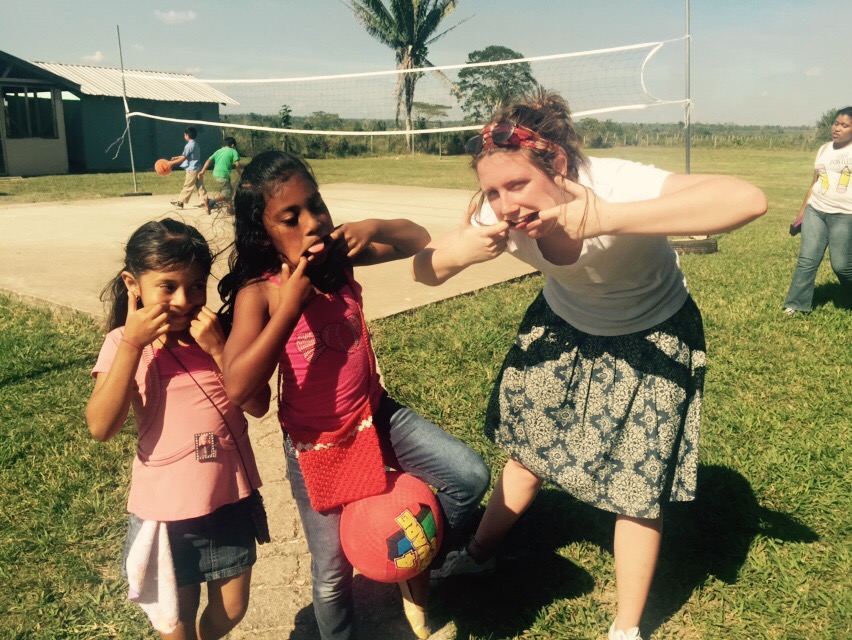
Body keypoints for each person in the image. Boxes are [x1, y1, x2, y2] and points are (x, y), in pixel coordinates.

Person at [413, 90, 767, 640]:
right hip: (564, 327)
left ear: (556, 163)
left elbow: (746, 200)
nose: (505, 204)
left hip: (652, 333)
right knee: (528, 455)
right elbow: (425, 272)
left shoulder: (617, 183)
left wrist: (611, 218)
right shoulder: (497, 216)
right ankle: (479, 554)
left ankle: (626, 628)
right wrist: (460, 252)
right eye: (492, 190)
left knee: (637, 487)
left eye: (517, 185)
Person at [218, 151, 490, 640]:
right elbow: (239, 387)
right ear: (265, 233)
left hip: (376, 415)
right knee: (331, 574)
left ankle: (414, 560)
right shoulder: (260, 293)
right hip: (316, 444)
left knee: (468, 476)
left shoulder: (340, 257)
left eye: (315, 204)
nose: (313, 222)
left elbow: (418, 239)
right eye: (291, 217)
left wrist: (373, 224)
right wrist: (290, 307)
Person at [86, 219, 270, 640]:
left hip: (229, 500)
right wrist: (133, 344)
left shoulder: (218, 335)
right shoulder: (122, 344)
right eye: (167, 286)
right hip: (168, 515)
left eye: (197, 285)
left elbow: (259, 405)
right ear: (133, 284)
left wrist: (220, 349)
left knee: (232, 609)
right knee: (175, 622)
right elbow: (101, 426)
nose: (185, 301)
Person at [783, 107, 852, 315]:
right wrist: (801, 213)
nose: (837, 128)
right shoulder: (824, 149)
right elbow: (814, 183)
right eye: (836, 123)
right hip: (816, 210)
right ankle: (796, 305)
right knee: (807, 260)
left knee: (841, 265)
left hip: (844, 214)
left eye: (844, 125)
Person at [170, 126, 211, 214]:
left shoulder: (189, 145)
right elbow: (185, 156)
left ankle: (180, 202)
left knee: (187, 186)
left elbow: (183, 158)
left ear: (187, 135)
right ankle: (205, 202)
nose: (184, 136)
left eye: (184, 134)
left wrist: (171, 164)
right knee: (200, 186)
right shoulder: (195, 144)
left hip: (192, 170)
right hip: (198, 168)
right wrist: (176, 157)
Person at [198, 136, 243, 215]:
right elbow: (237, 165)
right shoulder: (233, 151)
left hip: (216, 174)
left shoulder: (218, 151)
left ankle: (230, 210)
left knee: (230, 191)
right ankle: (210, 202)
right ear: (233, 145)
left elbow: (209, 160)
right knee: (226, 195)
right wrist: (241, 174)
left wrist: (202, 171)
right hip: (223, 175)